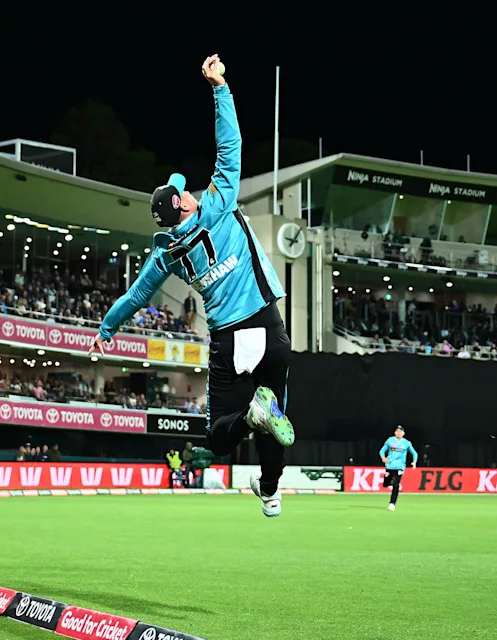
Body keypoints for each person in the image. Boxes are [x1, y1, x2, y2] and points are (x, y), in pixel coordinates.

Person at [90, 54, 295, 517]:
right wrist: (219, 87)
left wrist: (106, 330)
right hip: (269, 323)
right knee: (275, 418)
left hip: (228, 338)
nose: (187, 189)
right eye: (182, 191)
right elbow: (231, 146)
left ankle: (248, 418)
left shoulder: (166, 253)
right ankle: (270, 488)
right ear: (184, 205)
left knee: (220, 435)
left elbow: (136, 296)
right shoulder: (218, 204)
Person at [379, 425, 418, 511]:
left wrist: (414, 462)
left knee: (396, 485)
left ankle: (392, 503)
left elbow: (414, 453)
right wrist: (383, 458)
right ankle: (389, 482)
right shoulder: (390, 440)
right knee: (386, 483)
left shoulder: (407, 443)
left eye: (400, 431)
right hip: (389, 466)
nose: (399, 433)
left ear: (403, 433)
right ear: (395, 432)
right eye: (397, 431)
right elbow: (382, 450)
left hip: (400, 467)